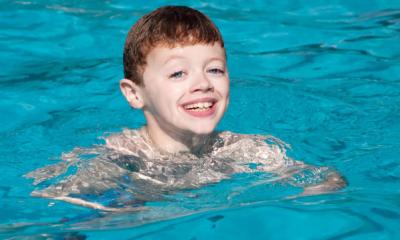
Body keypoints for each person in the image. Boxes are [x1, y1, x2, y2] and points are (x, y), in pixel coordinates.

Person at [26, 6, 346, 211]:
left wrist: (316, 192)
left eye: (215, 70)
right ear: (134, 94)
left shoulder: (244, 149)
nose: (203, 83)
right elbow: (50, 194)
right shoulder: (122, 155)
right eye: (178, 73)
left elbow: (323, 179)